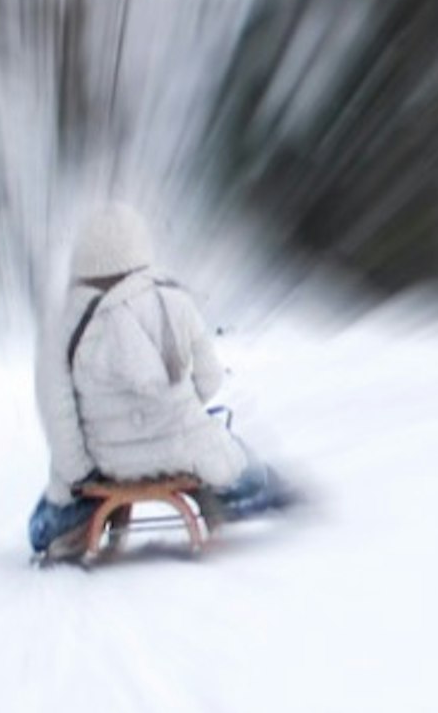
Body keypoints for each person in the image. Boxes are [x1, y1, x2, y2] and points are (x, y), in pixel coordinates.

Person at [27, 202, 296, 563]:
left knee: (39, 530)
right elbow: (210, 380)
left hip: (106, 466)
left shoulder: (60, 326)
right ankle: (245, 498)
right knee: (246, 466)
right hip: (188, 451)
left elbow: (59, 418)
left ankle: (74, 531)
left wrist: (80, 475)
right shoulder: (175, 301)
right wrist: (177, 416)